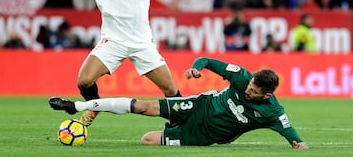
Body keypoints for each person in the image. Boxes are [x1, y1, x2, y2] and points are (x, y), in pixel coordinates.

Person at [60, 0, 184, 126]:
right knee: (84, 80)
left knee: (170, 88)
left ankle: (181, 123)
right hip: (113, 41)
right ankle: (94, 108)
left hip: (141, 43)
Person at [49, 57, 308, 149]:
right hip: (200, 106)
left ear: (266, 95)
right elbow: (206, 60)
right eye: (249, 85)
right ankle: (79, 107)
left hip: (202, 136)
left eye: (253, 92)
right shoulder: (241, 76)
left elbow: (289, 131)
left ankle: (173, 129)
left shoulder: (273, 112)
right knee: (145, 106)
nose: (248, 90)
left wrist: (298, 143)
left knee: (146, 140)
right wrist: (196, 69)